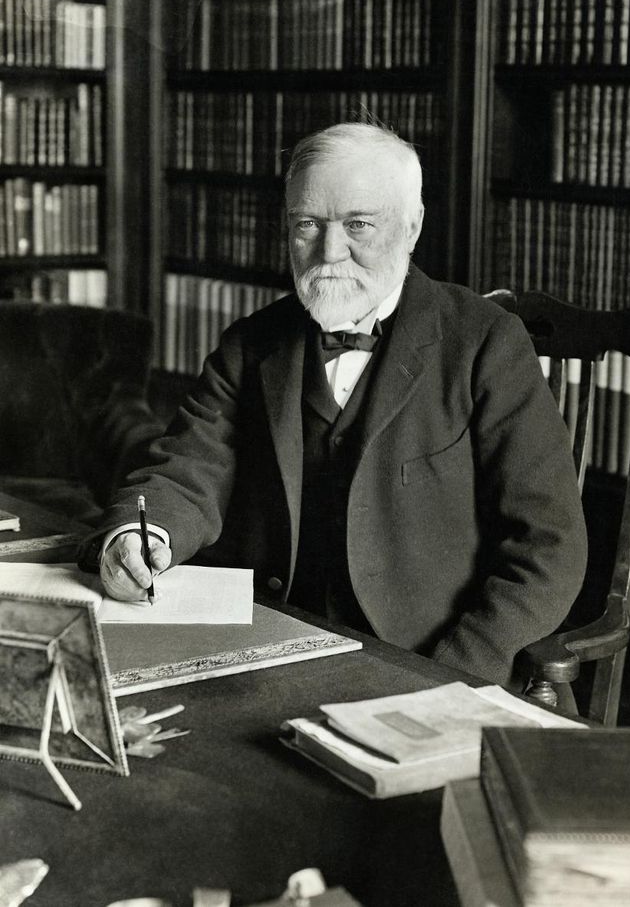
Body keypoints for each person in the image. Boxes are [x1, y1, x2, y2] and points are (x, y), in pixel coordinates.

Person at [80, 122, 587, 688]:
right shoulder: (251, 344)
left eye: (359, 225)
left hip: (419, 662)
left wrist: (450, 674)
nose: (329, 251)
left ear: (411, 226)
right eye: (307, 225)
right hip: (262, 644)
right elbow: (185, 470)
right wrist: (138, 537)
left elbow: (549, 546)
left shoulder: (486, 343)